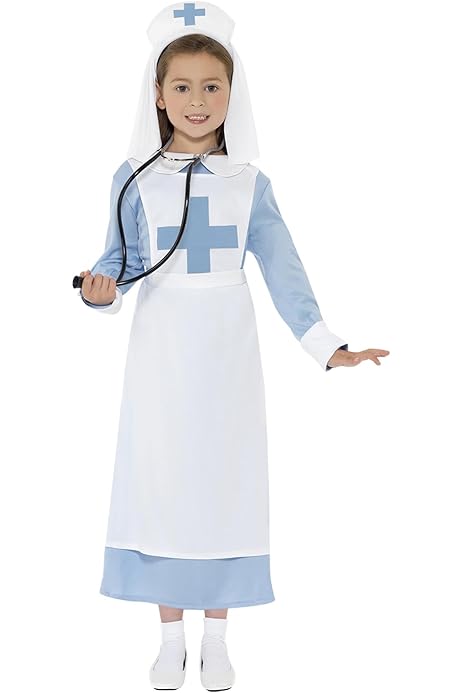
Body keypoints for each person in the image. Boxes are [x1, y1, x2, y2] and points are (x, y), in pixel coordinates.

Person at [77, 2, 389, 690]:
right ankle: (169, 638)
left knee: (224, 479)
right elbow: (119, 261)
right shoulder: (134, 177)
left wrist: (327, 344)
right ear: (158, 95)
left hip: (227, 353)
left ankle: (216, 636)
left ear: (232, 92)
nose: (197, 100)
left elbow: (283, 269)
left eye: (212, 85)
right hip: (160, 353)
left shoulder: (250, 183)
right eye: (182, 86)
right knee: (161, 480)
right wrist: (100, 291)